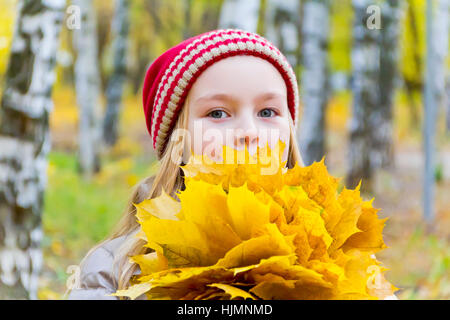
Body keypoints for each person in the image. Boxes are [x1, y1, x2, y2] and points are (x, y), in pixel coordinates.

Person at [68, 28, 396, 300]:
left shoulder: (338, 253)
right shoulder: (116, 269)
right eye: (217, 114)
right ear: (176, 144)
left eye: (267, 112)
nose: (248, 133)